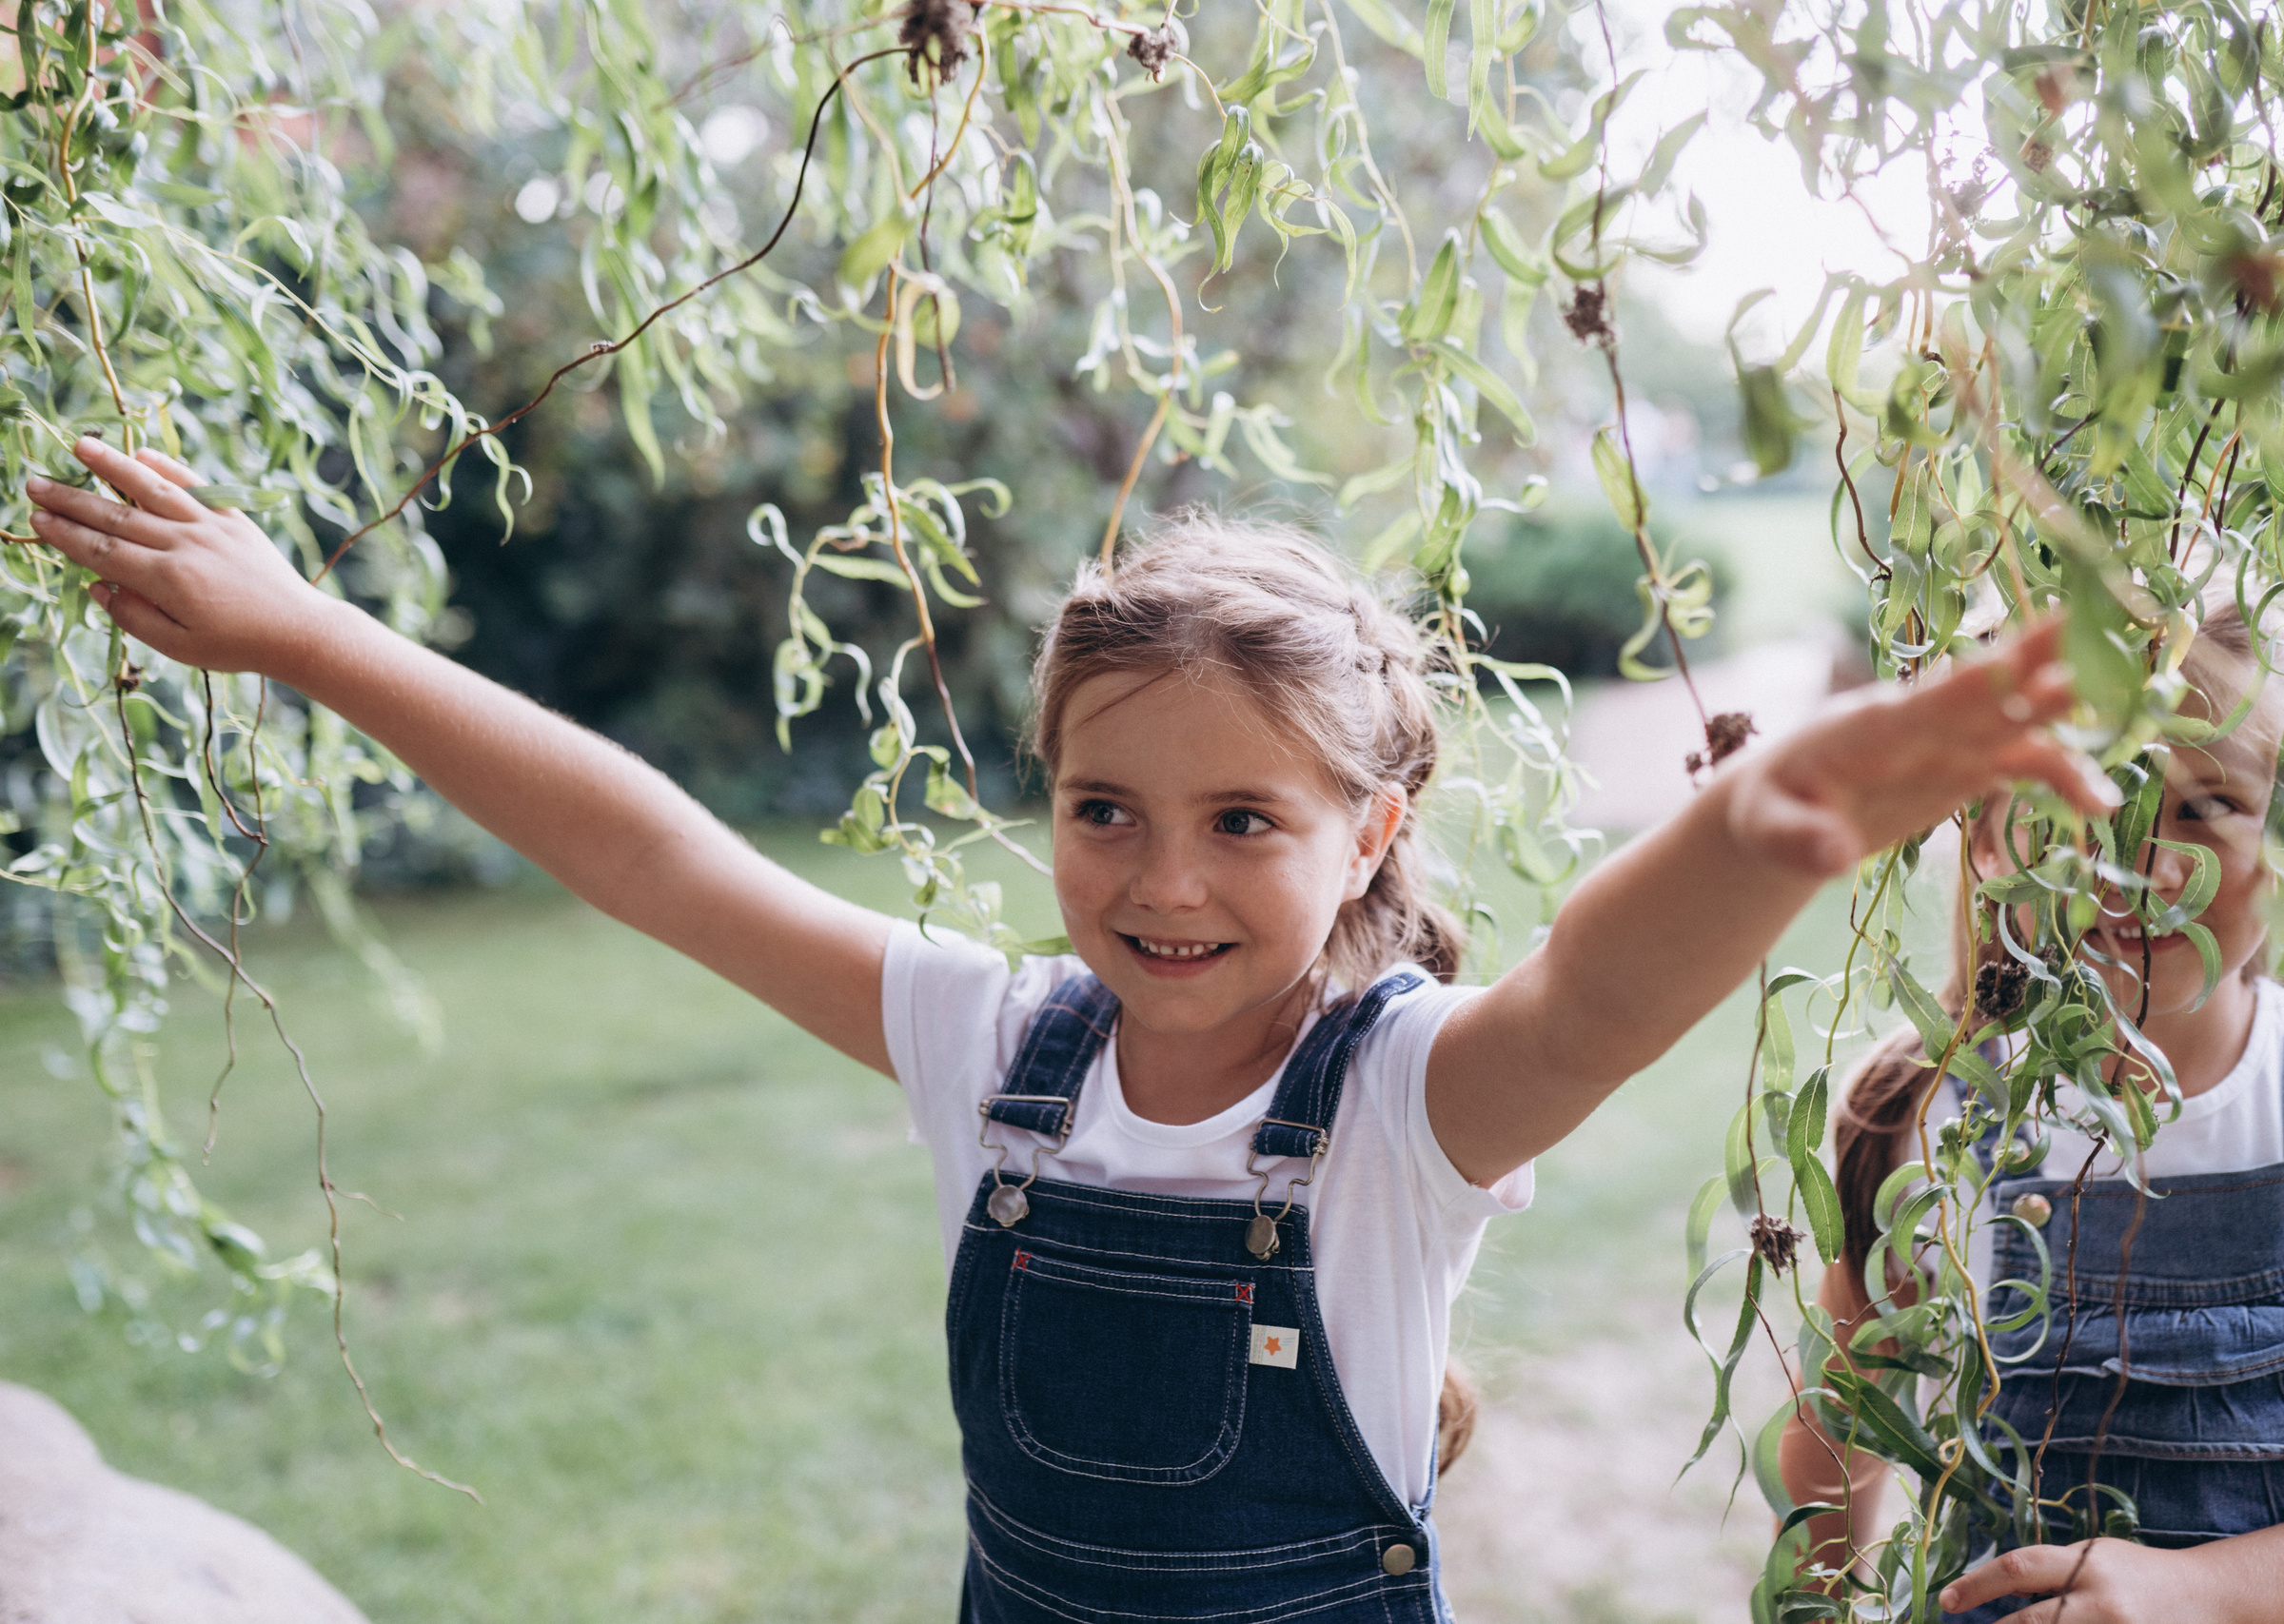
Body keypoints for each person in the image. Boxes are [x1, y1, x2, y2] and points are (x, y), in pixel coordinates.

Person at [29, 437, 2114, 1622]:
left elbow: (1591, 995)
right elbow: (655, 854)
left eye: (1242, 820)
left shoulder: (1395, 1102)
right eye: (1103, 808)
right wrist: (315, 633)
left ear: (1372, 830)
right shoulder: (991, 1040)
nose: (1160, 879)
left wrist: (1757, 830)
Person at [1782, 584, 2284, 1623]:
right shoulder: (1918, 1111)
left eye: (2204, 806)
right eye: (2086, 801)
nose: (2142, 870)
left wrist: (2208, 1593)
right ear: (1988, 834)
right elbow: (1836, 1435)